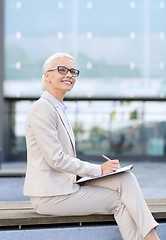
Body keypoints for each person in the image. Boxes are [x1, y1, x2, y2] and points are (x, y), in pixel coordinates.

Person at [24, 52, 160, 240]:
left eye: (73, 71)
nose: (69, 75)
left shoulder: (58, 108)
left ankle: (151, 236)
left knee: (125, 179)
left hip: (66, 186)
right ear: (47, 75)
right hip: (51, 196)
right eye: (62, 70)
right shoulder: (42, 108)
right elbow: (55, 159)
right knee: (120, 201)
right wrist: (98, 170)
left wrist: (106, 172)